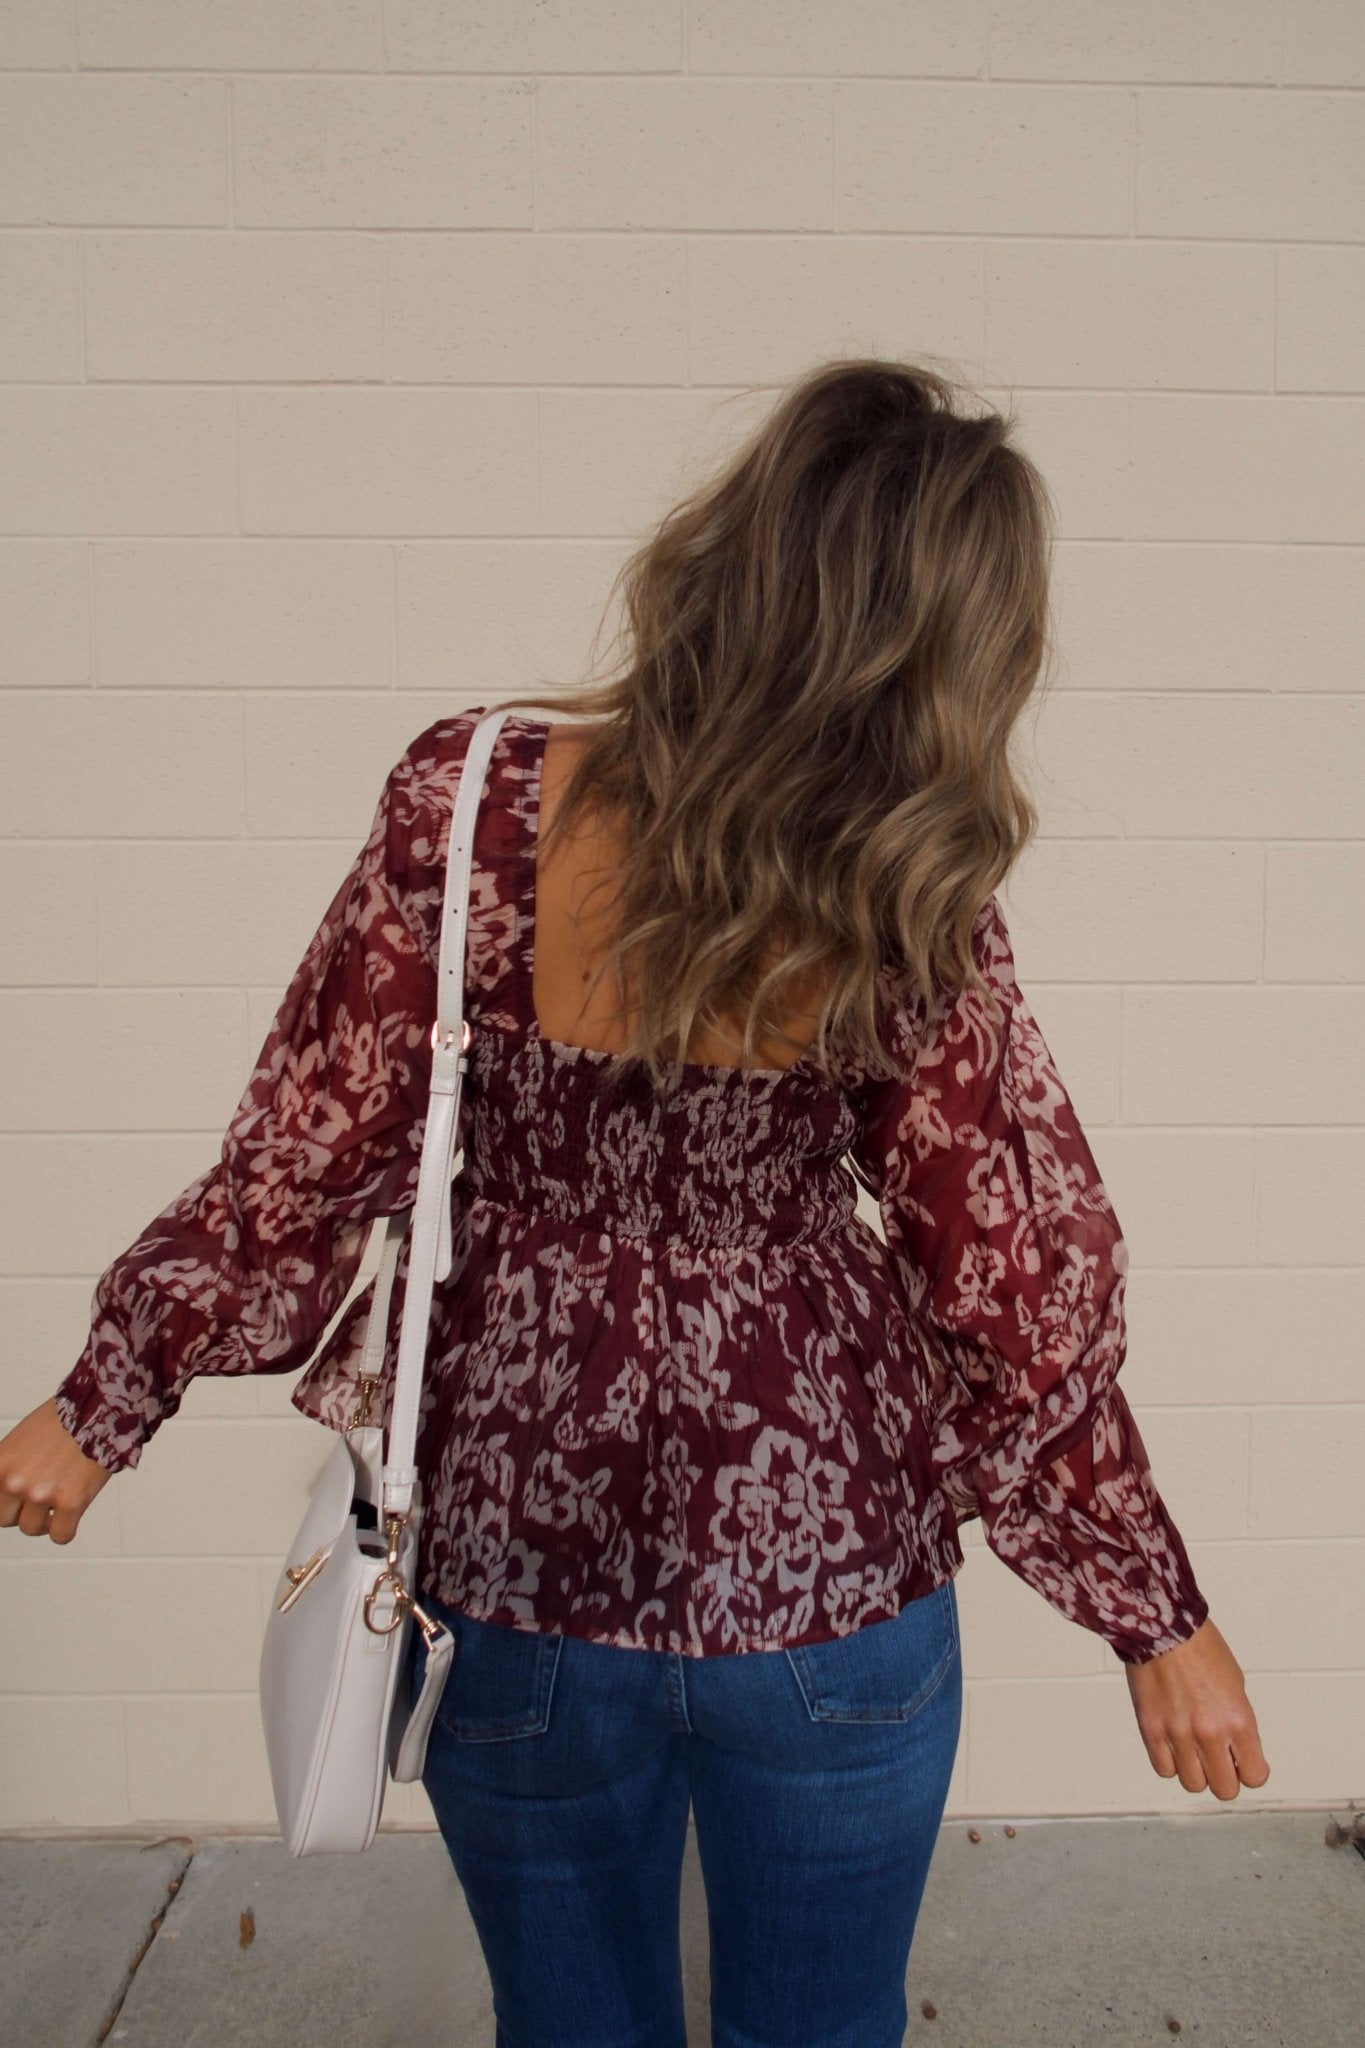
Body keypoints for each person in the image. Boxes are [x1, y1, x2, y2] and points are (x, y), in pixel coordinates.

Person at [1, 358, 1267, 2048]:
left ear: (731, 552)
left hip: (519, 1574)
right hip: (829, 1594)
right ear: (958, 648)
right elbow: (1014, 1283)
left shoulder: (473, 796)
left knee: (570, 2027)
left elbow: (310, 1146)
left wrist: (107, 1399)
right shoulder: (904, 875)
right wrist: (1151, 1616)